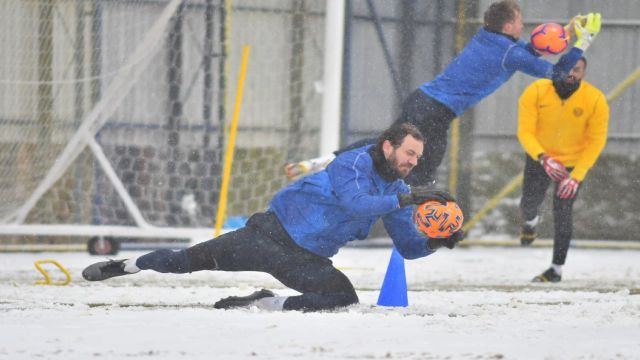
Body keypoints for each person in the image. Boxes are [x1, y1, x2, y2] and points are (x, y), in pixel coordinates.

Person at [83, 123, 465, 311]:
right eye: (409, 154)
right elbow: (355, 203)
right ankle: (126, 264)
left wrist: (437, 241)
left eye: (417, 158)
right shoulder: (354, 162)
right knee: (186, 261)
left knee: (341, 297)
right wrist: (410, 198)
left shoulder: (399, 192)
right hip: (266, 236)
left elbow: (408, 247)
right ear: (388, 146)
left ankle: (262, 302)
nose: (413, 162)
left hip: (305, 259)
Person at [286, 2, 602, 187]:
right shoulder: (510, 53)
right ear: (508, 26)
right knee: (420, 166)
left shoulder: (490, 39)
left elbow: (529, 51)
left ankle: (324, 162)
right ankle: (406, 212)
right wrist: (584, 42)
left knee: (389, 144)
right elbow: (561, 75)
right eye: (519, 20)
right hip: (435, 111)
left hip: (424, 101)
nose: (523, 24)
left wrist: (565, 34)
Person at [517, 57, 609, 282]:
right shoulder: (536, 90)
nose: (571, 73)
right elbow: (525, 131)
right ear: (557, 69)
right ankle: (530, 222)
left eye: (577, 70)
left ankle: (556, 270)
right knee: (528, 202)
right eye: (567, 68)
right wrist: (543, 157)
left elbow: (596, 141)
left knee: (563, 211)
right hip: (541, 158)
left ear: (583, 74)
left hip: (571, 166)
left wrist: (576, 177)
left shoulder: (595, 99)